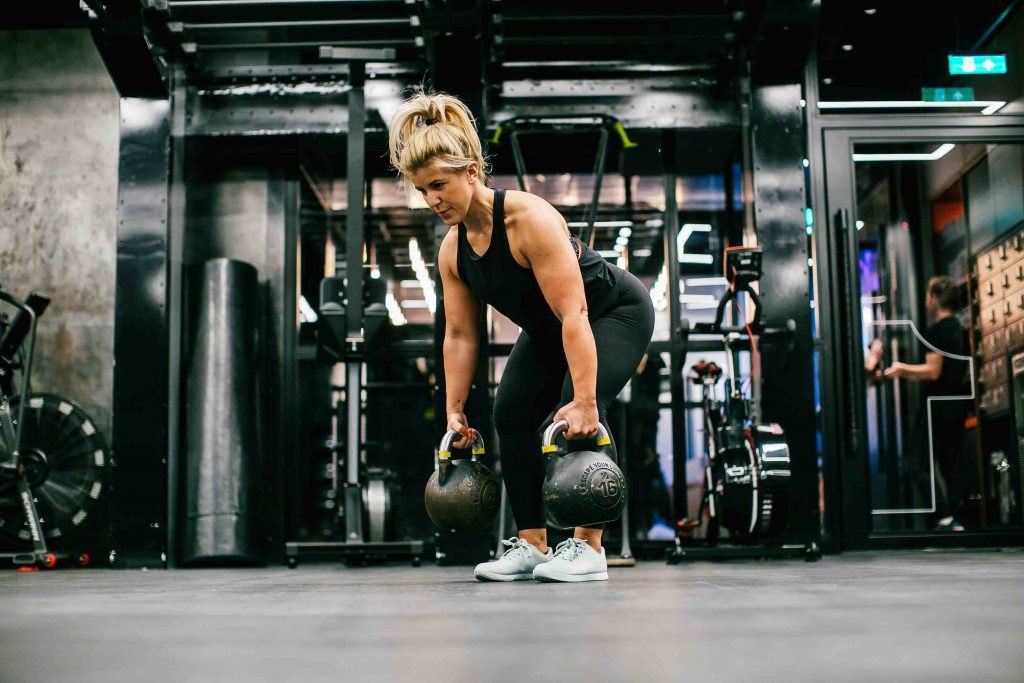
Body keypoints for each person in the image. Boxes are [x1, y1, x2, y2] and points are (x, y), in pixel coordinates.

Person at [388, 91, 655, 582]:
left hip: (613, 313)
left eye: (439, 185)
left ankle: (589, 548)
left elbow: (575, 313)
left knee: (572, 411)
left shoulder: (528, 219)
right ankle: (532, 543)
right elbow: (462, 337)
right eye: (422, 190)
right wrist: (454, 410)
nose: (431, 201)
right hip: (553, 328)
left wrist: (586, 399)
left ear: (471, 172)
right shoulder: (454, 252)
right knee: (509, 412)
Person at [883, 276, 967, 532]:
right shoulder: (958, 328)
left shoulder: (937, 330)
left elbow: (933, 371)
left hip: (935, 407)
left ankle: (944, 516)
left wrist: (901, 370)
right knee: (948, 464)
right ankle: (958, 520)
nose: (926, 300)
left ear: (935, 298)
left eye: (929, 295)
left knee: (915, 463)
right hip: (956, 404)